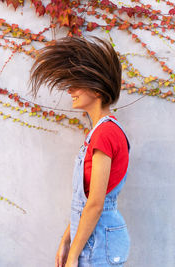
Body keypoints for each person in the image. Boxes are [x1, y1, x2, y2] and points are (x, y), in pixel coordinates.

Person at [29, 35, 130, 267]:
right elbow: (85, 203)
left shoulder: (105, 134)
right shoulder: (98, 133)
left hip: (99, 245)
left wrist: (73, 254)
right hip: (93, 240)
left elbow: (95, 203)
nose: (70, 90)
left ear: (96, 90)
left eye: (77, 84)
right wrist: (67, 240)